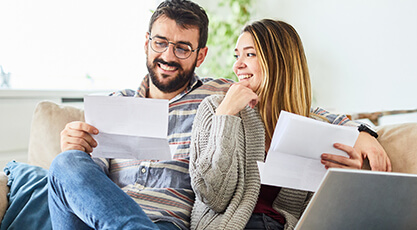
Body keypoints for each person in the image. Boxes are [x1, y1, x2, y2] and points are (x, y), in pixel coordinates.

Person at [48, 1, 391, 230]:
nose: (168, 55)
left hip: (166, 221)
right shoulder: (114, 102)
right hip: (97, 219)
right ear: (146, 44)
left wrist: (361, 131)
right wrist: (77, 150)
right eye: (160, 43)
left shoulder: (220, 96)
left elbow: (290, 103)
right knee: (63, 164)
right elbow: (84, 181)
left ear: (200, 55)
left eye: (182, 48)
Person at [189, 19, 391, 230]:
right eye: (236, 55)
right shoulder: (216, 109)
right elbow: (211, 196)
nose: (237, 65)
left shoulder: (311, 126)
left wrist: (342, 178)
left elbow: (320, 214)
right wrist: (225, 118)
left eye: (249, 54)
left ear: (278, 61)